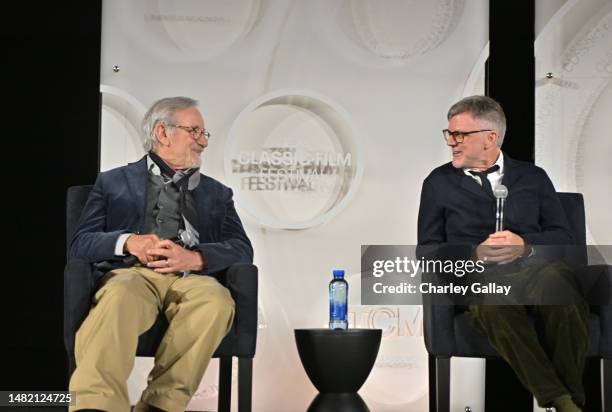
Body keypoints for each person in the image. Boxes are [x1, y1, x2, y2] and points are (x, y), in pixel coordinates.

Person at [68, 96, 253, 412]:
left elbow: (241, 248)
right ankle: (96, 405)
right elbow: (81, 243)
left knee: (216, 302)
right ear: (162, 133)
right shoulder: (113, 182)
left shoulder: (217, 193)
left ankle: (160, 405)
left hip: (191, 277)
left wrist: (195, 258)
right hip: (133, 273)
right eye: (194, 131)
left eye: (204, 133)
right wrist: (129, 242)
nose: (203, 142)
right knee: (120, 296)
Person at [417, 95, 589, 412]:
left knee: (562, 292)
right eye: (449, 134)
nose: (452, 143)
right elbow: (427, 251)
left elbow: (565, 239)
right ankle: (566, 402)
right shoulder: (438, 183)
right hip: (477, 277)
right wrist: (474, 253)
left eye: (460, 135)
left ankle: (570, 399)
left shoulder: (533, 178)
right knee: (492, 304)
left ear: (490, 137)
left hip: (534, 270)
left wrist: (524, 244)